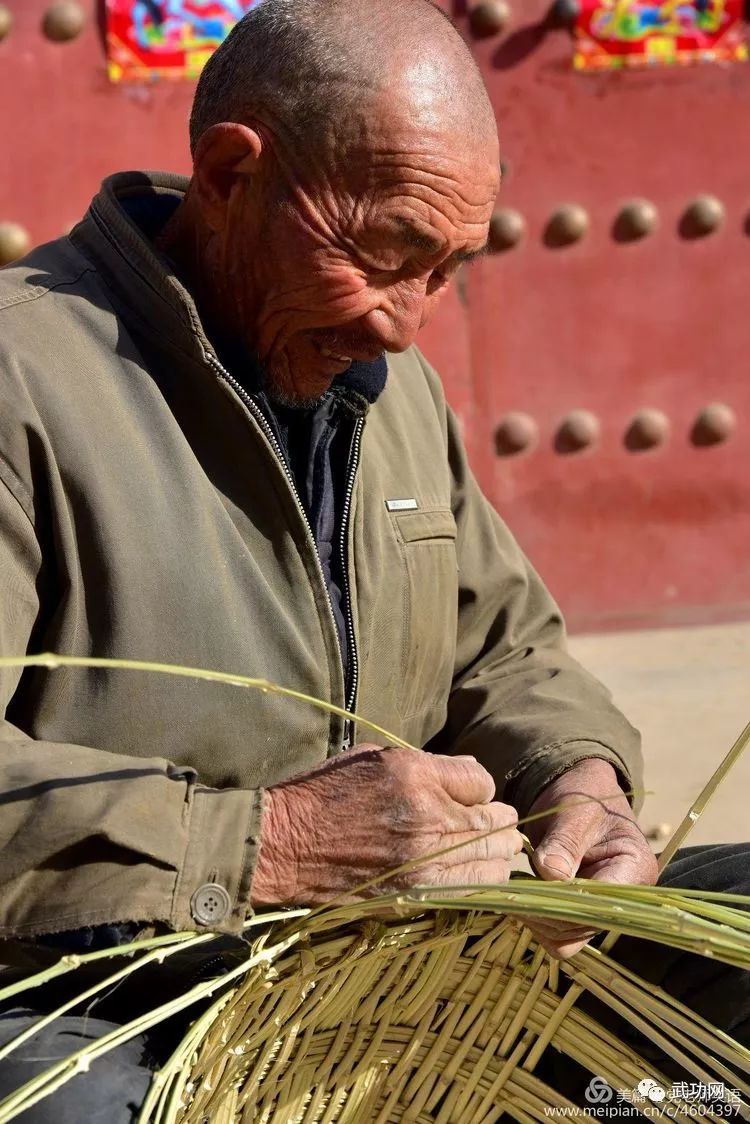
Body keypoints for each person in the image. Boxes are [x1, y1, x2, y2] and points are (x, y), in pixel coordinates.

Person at [0, 1, 746, 1119]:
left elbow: (510, 647)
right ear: (227, 172)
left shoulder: (390, 389)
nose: (409, 323)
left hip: (399, 967)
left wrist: (580, 783)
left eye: (445, 270)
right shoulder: (25, 380)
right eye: (384, 253)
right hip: (109, 992)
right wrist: (266, 844)